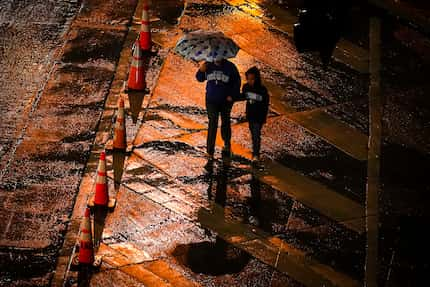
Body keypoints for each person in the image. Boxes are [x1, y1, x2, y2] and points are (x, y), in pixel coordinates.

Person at [196, 59, 241, 159]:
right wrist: (201, 70)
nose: (217, 59)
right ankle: (210, 151)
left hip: (226, 101)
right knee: (213, 122)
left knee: (225, 121)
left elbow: (237, 82)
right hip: (211, 101)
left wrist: (232, 95)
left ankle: (226, 144)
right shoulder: (208, 65)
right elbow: (199, 78)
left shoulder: (230, 67)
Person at [240, 66, 269, 162]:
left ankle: (256, 154)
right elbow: (243, 96)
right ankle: (255, 151)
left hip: (259, 116)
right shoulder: (246, 87)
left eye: (252, 79)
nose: (250, 81)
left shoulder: (262, 90)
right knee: (253, 133)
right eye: (248, 79)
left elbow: (265, 103)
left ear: (256, 78)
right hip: (250, 115)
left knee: (256, 134)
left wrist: (263, 117)